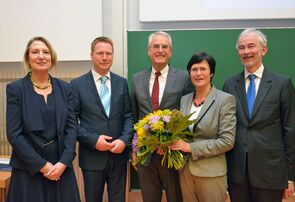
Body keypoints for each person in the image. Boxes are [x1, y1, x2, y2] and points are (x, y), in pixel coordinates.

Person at [223, 28, 295, 202]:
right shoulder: (229, 84)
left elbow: (291, 131)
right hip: (237, 173)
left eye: (251, 46)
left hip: (271, 173)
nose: (246, 51)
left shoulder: (282, 84)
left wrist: (290, 176)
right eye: (241, 48)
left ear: (263, 50)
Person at [6, 36, 80, 202]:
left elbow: (71, 128)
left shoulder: (65, 88)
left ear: (52, 58)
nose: (41, 56)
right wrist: (42, 166)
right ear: (27, 58)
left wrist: (63, 163)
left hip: (61, 168)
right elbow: (14, 134)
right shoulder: (15, 89)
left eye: (45, 52)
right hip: (28, 169)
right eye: (35, 52)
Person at [131, 31, 194, 202]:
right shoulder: (136, 79)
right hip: (146, 156)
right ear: (149, 51)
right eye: (156, 46)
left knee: (176, 198)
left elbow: (189, 115)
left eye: (164, 47)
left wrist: (171, 143)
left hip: (172, 154)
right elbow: (134, 116)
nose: (160, 50)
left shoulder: (184, 77)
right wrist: (134, 151)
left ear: (170, 52)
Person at [70, 36, 134, 202]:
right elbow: (71, 122)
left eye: (108, 53)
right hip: (92, 157)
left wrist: (124, 140)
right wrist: (93, 140)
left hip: (119, 156)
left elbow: (128, 116)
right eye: (100, 53)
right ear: (91, 55)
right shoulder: (77, 85)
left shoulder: (121, 82)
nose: (105, 57)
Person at [170, 51, 236, 202]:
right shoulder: (185, 100)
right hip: (185, 171)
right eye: (194, 69)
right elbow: (182, 133)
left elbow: (227, 141)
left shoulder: (225, 100)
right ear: (189, 73)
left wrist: (191, 148)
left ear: (211, 73)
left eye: (203, 69)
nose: (198, 73)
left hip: (211, 174)